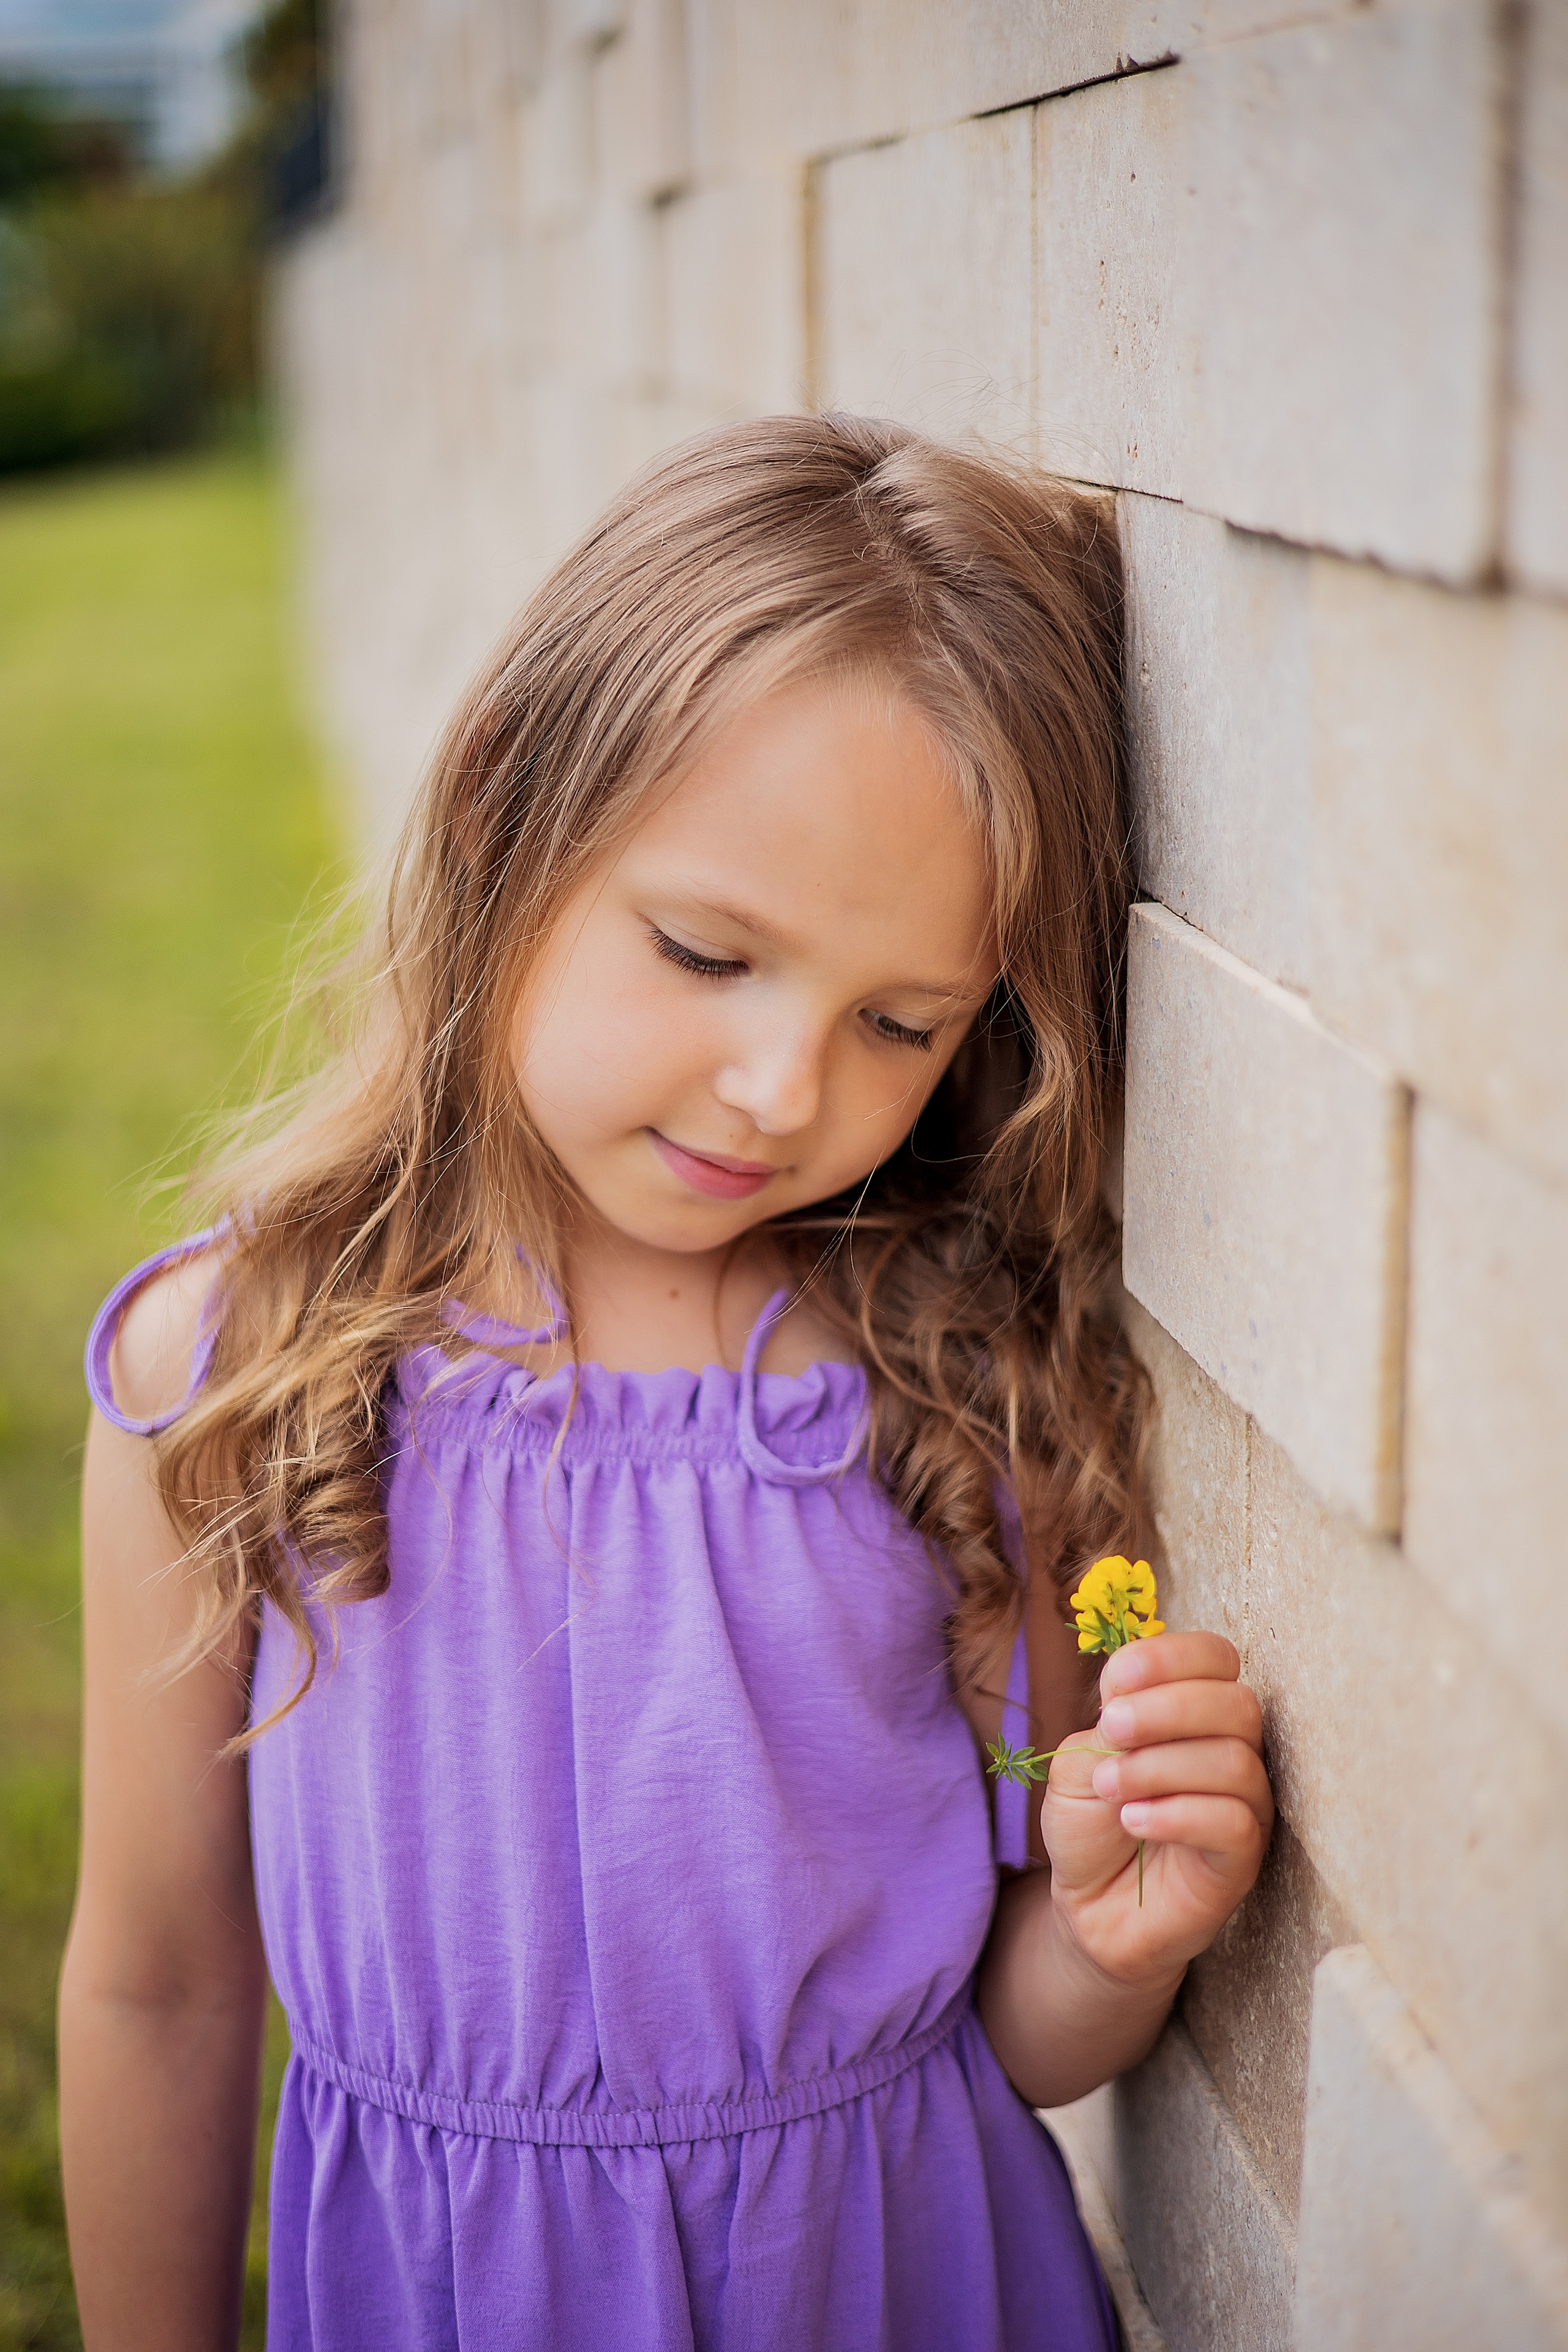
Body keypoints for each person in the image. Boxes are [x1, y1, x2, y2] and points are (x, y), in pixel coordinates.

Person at [59, 415, 1273, 2351]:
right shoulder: (227, 1376)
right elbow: (157, 1984)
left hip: (890, 2281)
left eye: (898, 1022)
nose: (786, 1090)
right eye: (708, 952)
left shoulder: (951, 1396)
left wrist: (1121, 1933)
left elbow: (1019, 2032)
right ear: (499, 826)